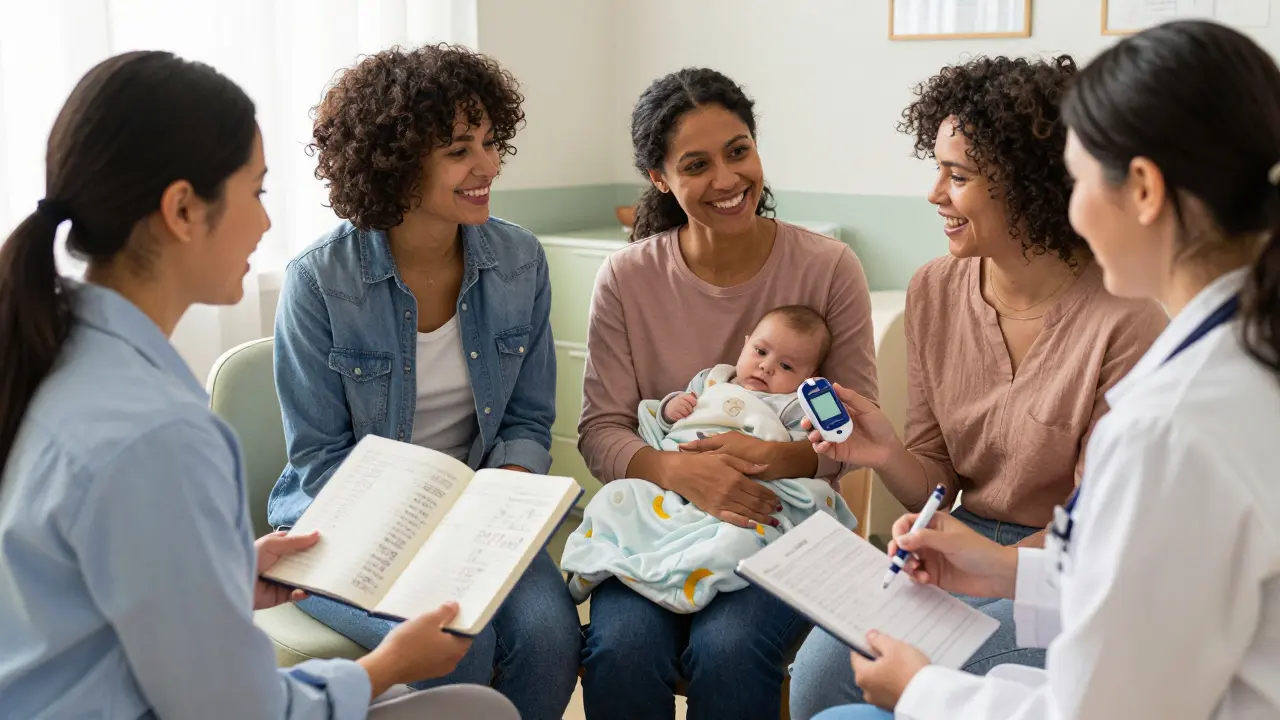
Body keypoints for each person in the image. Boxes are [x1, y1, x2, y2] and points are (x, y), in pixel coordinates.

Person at [0, 50, 517, 719]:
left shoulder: (56, 362)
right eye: (258, 191)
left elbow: (81, 591)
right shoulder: (159, 434)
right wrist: (388, 665)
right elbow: (235, 709)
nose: (267, 223)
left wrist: (221, 573)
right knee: (478, 709)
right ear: (183, 209)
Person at [813, 19, 1280, 719]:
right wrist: (995, 567)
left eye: (1080, 176)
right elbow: (1142, 587)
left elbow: (1099, 708)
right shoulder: (1237, 362)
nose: (1073, 207)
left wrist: (922, 693)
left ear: (1144, 190)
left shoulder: (1165, 428)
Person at [787, 54, 1169, 718]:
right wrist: (883, 452)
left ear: (1029, 185)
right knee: (825, 666)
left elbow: (1099, 534)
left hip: (1060, 573)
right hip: (958, 543)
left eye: (957, 175)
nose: (934, 193)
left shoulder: (1125, 319)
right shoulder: (934, 290)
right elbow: (937, 483)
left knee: (901, 681)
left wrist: (984, 558)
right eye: (935, 168)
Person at [265, 43, 580, 719]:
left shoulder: (520, 260)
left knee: (552, 635)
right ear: (398, 160)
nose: (488, 166)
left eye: (491, 142)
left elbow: (527, 421)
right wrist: (420, 530)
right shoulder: (318, 280)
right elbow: (319, 460)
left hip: (478, 524)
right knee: (460, 641)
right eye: (459, 150)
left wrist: (505, 500)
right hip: (348, 532)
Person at [576, 67, 880, 720]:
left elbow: (853, 439)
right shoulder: (627, 278)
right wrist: (683, 472)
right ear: (660, 178)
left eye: (738, 150)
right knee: (622, 650)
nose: (727, 179)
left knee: (730, 652)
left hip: (773, 523)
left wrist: (775, 459)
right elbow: (602, 431)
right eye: (696, 164)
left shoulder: (828, 269)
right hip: (657, 523)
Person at [561, 305, 857, 613]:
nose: (766, 367)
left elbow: (809, 450)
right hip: (675, 478)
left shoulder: (792, 405)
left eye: (786, 366)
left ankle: (688, 578)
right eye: (760, 351)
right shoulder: (713, 379)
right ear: (745, 344)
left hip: (740, 491)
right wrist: (671, 408)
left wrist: (771, 451)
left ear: (809, 378)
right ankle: (602, 561)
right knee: (616, 498)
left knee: (736, 540)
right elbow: (672, 417)